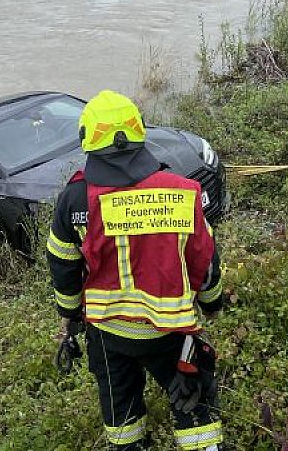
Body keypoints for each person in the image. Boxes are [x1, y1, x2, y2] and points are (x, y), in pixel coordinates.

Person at [47, 90, 224, 451]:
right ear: (140, 132)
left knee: (121, 417)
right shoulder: (181, 192)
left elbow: (63, 265)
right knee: (194, 409)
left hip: (107, 334)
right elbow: (204, 262)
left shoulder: (75, 199)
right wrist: (212, 303)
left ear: (86, 140)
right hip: (169, 331)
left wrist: (69, 317)